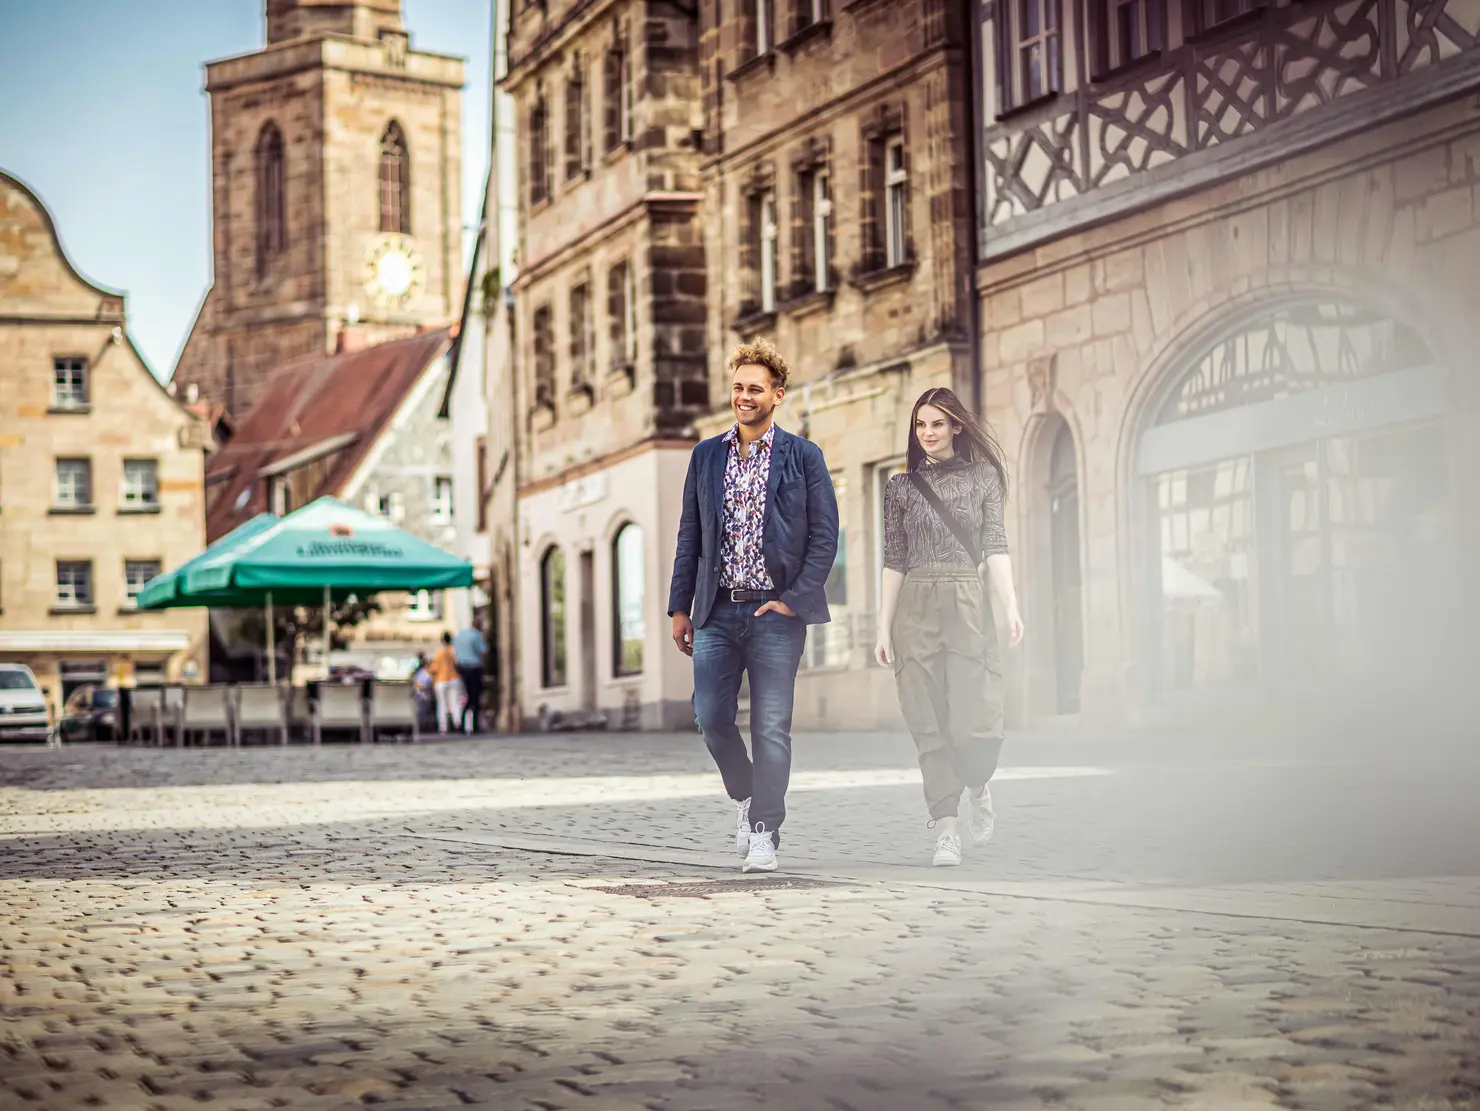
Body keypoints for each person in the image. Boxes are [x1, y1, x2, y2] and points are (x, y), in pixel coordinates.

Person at [669, 337, 839, 873]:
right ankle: (746, 795)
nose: (744, 397)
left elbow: (824, 538)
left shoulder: (804, 456)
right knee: (710, 716)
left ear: (777, 394)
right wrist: (680, 606)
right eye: (739, 387)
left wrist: (793, 601)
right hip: (716, 610)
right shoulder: (706, 456)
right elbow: (689, 535)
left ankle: (765, 829)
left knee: (770, 726)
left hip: (774, 615)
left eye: (755, 389)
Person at [874, 387, 1023, 868]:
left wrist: (1011, 605)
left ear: (957, 426)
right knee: (928, 720)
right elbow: (893, 560)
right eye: (921, 425)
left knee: (975, 721)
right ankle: (946, 829)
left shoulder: (982, 480)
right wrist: (883, 627)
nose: (928, 433)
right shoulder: (899, 488)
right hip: (914, 606)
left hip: (965, 601)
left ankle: (977, 784)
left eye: (937, 423)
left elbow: (996, 546)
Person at [452, 622, 487, 734]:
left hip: (462, 668)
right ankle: (474, 726)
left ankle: (462, 724)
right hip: (474, 667)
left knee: (467, 696)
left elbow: (455, 651)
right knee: (475, 697)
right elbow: (483, 650)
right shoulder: (476, 635)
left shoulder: (459, 635)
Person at [428, 631, 462, 735]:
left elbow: (434, 669)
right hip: (454, 678)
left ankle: (443, 727)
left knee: (441, 704)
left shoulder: (439, 653)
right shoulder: (454, 651)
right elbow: (458, 664)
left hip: (441, 680)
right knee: (455, 703)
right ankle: (457, 724)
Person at [411, 654, 436, 735]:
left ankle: (427, 725)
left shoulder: (431, 673)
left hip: (429, 696)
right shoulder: (421, 673)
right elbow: (417, 684)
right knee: (422, 710)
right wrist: (425, 688)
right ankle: (422, 726)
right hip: (421, 695)